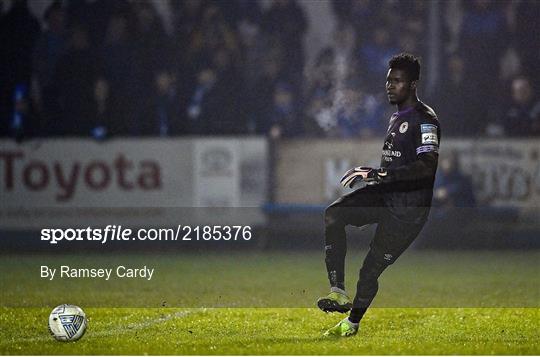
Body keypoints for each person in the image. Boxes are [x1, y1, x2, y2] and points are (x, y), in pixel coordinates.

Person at [318, 53, 441, 337]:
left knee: (369, 271)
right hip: (385, 196)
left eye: (397, 81)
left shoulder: (425, 119)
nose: (390, 86)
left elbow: (427, 165)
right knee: (334, 214)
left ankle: (351, 323)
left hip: (408, 212)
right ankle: (337, 292)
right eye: (388, 80)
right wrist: (379, 177)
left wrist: (380, 174)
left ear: (413, 85)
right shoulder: (397, 116)